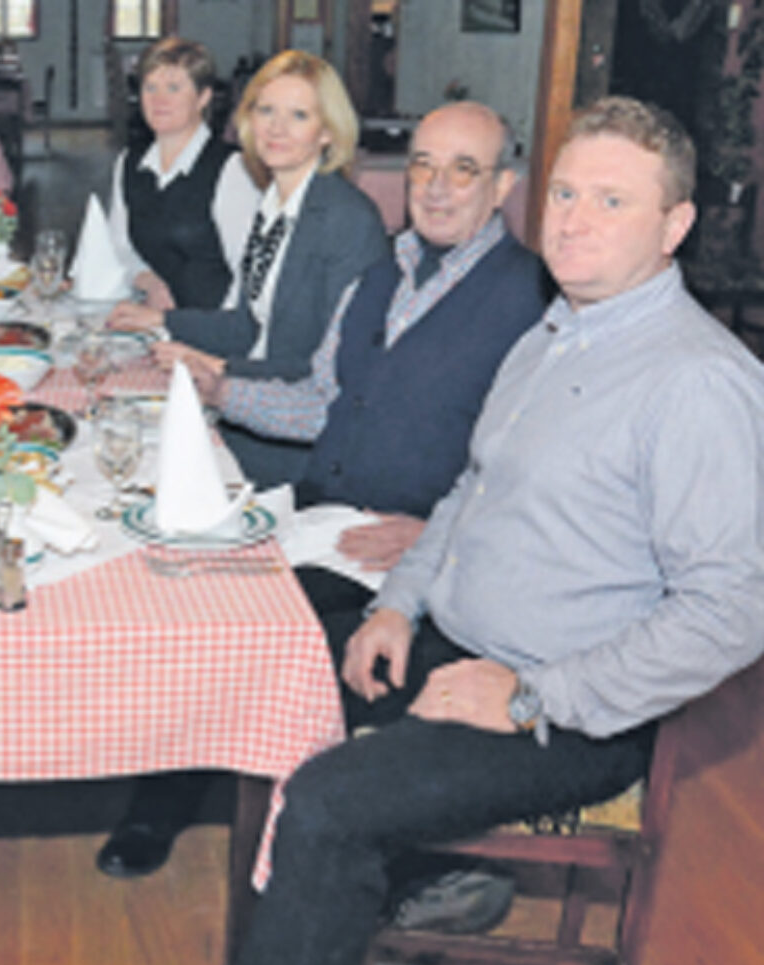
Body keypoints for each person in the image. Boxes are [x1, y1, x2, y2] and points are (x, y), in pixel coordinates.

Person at [226, 96, 764, 965]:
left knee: (327, 804)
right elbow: (469, 493)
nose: (574, 221)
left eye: (611, 201)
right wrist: (397, 604)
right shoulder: (553, 336)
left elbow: (733, 612)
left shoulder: (700, 382)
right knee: (259, 662)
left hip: (571, 713)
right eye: (565, 193)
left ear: (674, 226)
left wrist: (528, 696)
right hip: (456, 643)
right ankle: (330, 914)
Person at [96, 101, 552, 884]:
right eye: (423, 165)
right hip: (319, 509)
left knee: (248, 629)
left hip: (403, 545)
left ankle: (236, 821)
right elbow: (319, 403)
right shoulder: (381, 276)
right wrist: (219, 389)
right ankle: (181, 780)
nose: (437, 187)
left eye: (464, 170)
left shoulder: (534, 302)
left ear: (503, 185)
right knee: (183, 581)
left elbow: (536, 467)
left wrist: (443, 534)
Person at [118, 48, 389, 488]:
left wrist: (218, 366)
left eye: (298, 115)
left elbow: (329, 370)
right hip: (247, 408)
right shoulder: (274, 205)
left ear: (327, 131)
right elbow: (247, 326)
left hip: (299, 447)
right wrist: (164, 322)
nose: (276, 128)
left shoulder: (347, 220)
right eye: (266, 111)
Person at [105, 36, 260, 314]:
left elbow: (250, 277)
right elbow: (118, 248)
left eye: (174, 88)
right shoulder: (129, 163)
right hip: (151, 319)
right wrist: (147, 280)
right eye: (150, 87)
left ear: (203, 97)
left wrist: (201, 330)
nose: (159, 100)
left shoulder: (231, 169)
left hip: (213, 326)